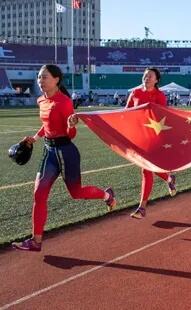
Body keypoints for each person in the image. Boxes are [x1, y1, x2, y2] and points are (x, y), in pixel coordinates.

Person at [12, 64, 116, 252]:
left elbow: (70, 134)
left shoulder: (64, 102)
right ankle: (36, 241)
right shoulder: (41, 100)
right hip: (49, 152)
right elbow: (47, 125)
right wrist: (34, 139)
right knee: (39, 194)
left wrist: (71, 125)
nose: (40, 81)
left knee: (76, 193)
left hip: (66, 152)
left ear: (56, 79)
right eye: (39, 77)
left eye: (44, 77)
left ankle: (107, 195)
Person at [125, 67, 177, 219]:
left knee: (146, 170)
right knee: (149, 167)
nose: (146, 78)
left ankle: (142, 207)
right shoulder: (135, 93)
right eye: (145, 75)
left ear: (156, 80)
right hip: (138, 137)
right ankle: (168, 178)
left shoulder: (160, 96)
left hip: (153, 138)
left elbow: (163, 116)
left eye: (150, 76)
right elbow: (126, 112)